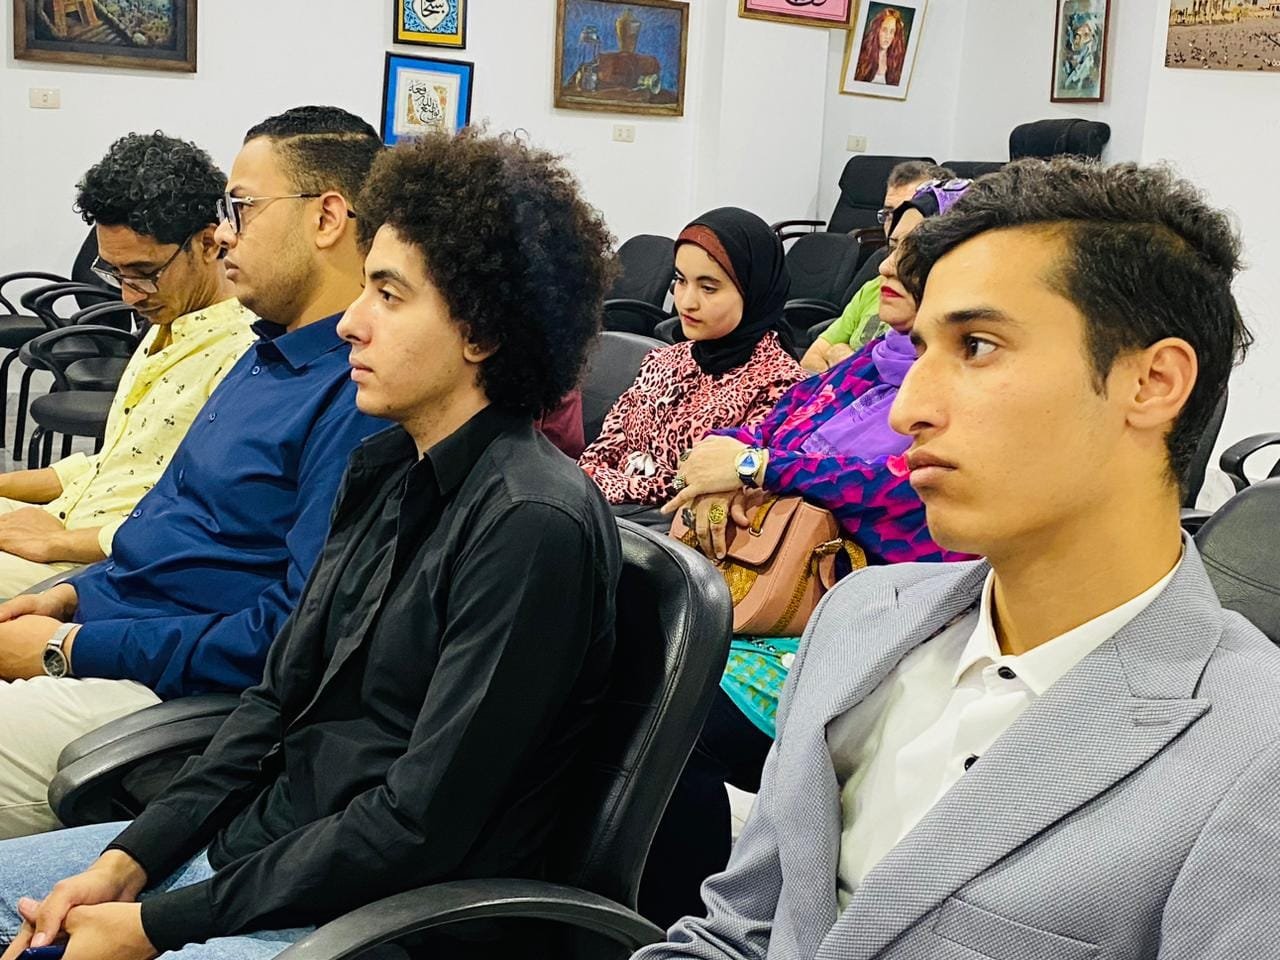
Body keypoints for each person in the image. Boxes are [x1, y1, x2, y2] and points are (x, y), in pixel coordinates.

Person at [635, 158, 1280, 959]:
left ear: (1151, 382)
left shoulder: (1254, 756)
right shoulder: (861, 620)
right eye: (920, 348)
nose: (907, 408)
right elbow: (740, 934)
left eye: (977, 346)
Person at [0, 126, 620, 960]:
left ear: (481, 331)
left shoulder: (530, 524)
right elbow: (272, 701)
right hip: (260, 856)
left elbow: (416, 825)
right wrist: (128, 862)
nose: (352, 323)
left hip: (373, 916)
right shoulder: (386, 467)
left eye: (389, 296)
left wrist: (155, 924)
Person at [0, 106, 384, 839]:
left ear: (327, 216)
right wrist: (72, 597)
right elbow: (162, 531)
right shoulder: (266, 355)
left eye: (241, 208)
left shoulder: (356, 393)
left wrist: (66, 647)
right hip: (110, 628)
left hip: (159, 694)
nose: (225, 235)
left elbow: (287, 639)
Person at [639, 180, 973, 926]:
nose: (887, 266)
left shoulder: (955, 391)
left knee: (672, 717)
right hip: (774, 586)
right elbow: (772, 426)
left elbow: (896, 487)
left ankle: (688, 923)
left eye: (915, 253)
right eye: (891, 245)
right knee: (623, 666)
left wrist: (758, 469)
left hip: (876, 609)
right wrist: (745, 464)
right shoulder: (874, 360)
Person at [0, 133, 257, 598]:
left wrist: (57, 542)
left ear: (208, 243)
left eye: (144, 273)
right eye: (115, 272)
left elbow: (199, 528)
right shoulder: (168, 323)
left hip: (102, 565)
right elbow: (115, 464)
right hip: (68, 521)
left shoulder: (243, 357)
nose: (128, 295)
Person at [578, 208, 805, 516]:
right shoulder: (665, 360)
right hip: (609, 515)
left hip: (672, 533)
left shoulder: (782, 387)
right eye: (680, 280)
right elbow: (604, 447)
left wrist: (614, 484)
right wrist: (592, 480)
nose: (686, 301)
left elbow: (698, 484)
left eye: (708, 287)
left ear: (755, 290)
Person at [800, 162, 954, 374]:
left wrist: (846, 361)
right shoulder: (876, 287)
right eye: (889, 214)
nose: (895, 224)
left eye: (910, 212)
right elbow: (810, 359)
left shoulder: (946, 313)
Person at [854, 7, 908, 85]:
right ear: (877, 30)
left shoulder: (897, 61)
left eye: (892, 32)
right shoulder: (861, 55)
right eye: (884, 30)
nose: (887, 36)